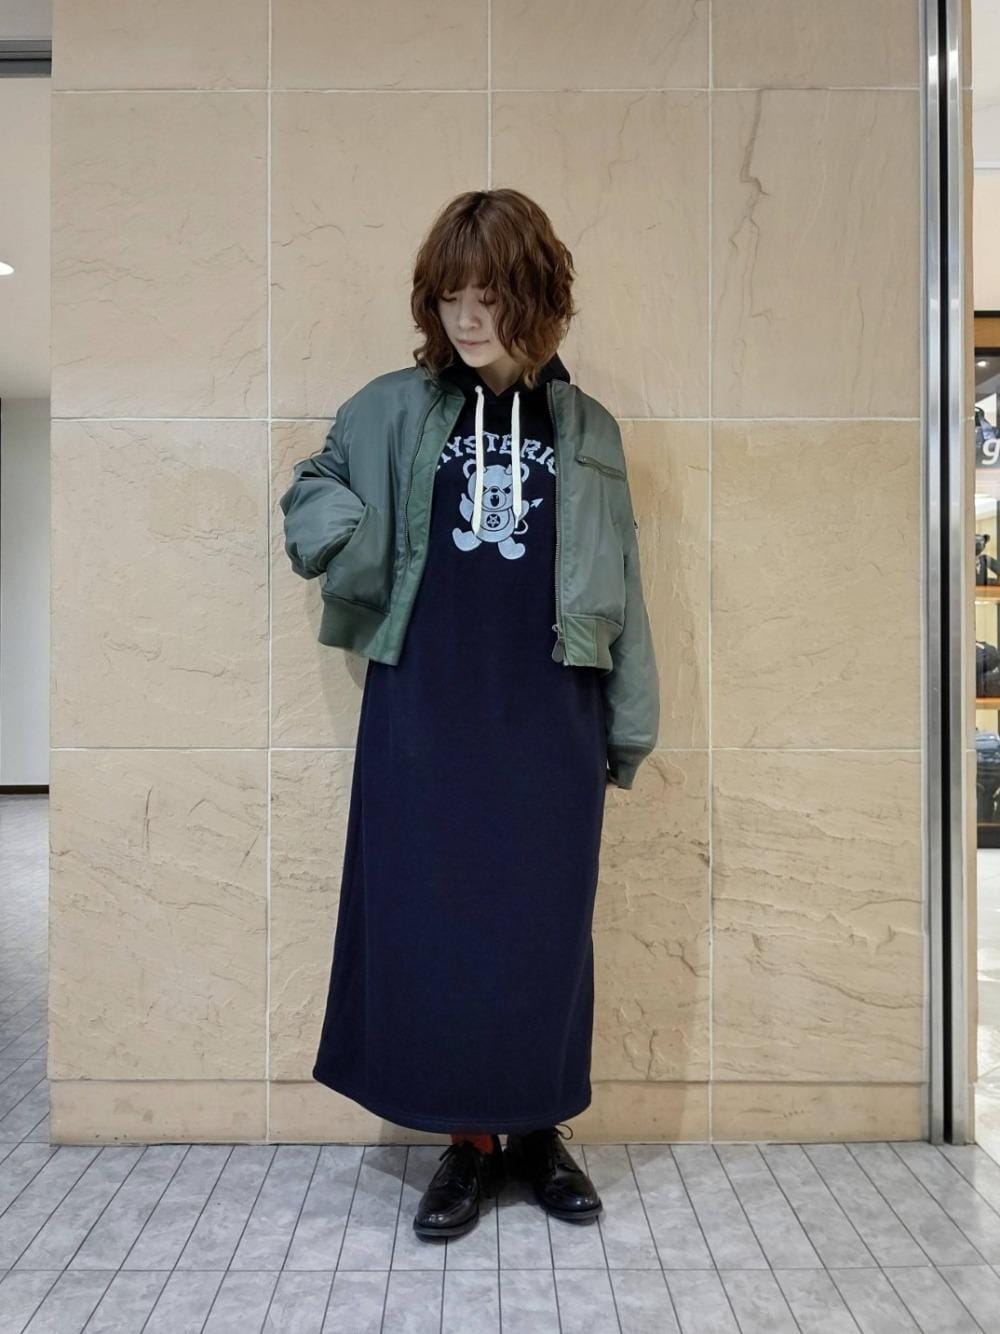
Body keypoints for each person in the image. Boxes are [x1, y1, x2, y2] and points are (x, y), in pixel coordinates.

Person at [279, 188, 659, 1242]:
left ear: (536, 296)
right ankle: (466, 1142)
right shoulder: (390, 408)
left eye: (489, 294)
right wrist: (345, 537)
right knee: (435, 926)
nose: (467, 317)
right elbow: (312, 487)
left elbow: (624, 579)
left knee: (543, 932)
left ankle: (536, 1132)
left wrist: (628, 721)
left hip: (550, 711)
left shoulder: (587, 428)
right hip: (424, 709)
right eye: (450, 295)